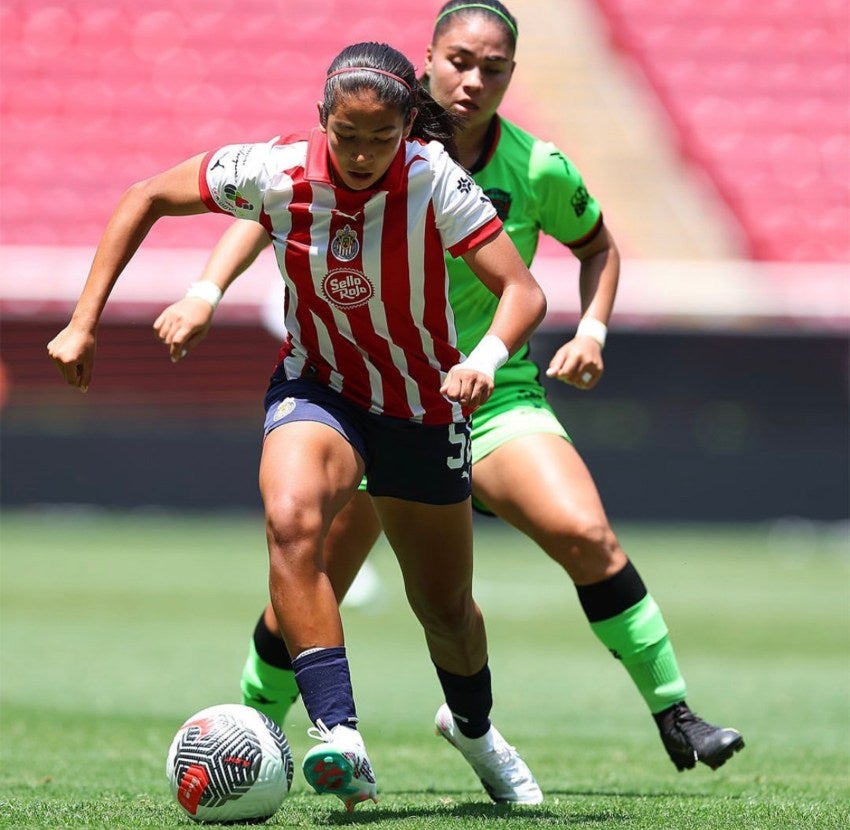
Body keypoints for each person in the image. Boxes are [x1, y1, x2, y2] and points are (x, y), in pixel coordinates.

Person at [156, 0, 745, 783]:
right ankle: (253, 725)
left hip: (491, 398)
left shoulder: (536, 169)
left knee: (584, 535)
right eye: (459, 62)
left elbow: (596, 245)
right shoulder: (375, 135)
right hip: (367, 391)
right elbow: (269, 207)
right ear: (427, 60)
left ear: (510, 77)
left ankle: (675, 714)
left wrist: (591, 331)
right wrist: (206, 288)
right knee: (307, 567)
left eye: (493, 69)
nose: (472, 81)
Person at [47, 41, 549, 811]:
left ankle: (476, 730)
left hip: (420, 403)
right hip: (321, 387)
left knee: (445, 609)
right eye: (345, 135)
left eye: (379, 139)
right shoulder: (275, 169)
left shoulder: (433, 179)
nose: (359, 153)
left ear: (409, 130)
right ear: (322, 120)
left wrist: (484, 356)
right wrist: (86, 324)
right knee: (291, 518)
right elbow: (144, 195)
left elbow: (522, 291)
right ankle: (340, 735)